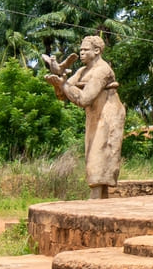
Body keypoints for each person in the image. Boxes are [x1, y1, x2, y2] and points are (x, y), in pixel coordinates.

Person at [45, 35, 126, 199]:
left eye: (85, 50)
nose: (81, 53)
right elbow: (64, 94)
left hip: (108, 115)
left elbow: (84, 99)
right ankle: (100, 198)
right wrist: (59, 84)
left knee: (99, 155)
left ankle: (96, 197)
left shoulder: (103, 70)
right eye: (80, 50)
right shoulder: (82, 71)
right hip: (94, 115)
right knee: (92, 154)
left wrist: (64, 85)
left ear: (96, 51)